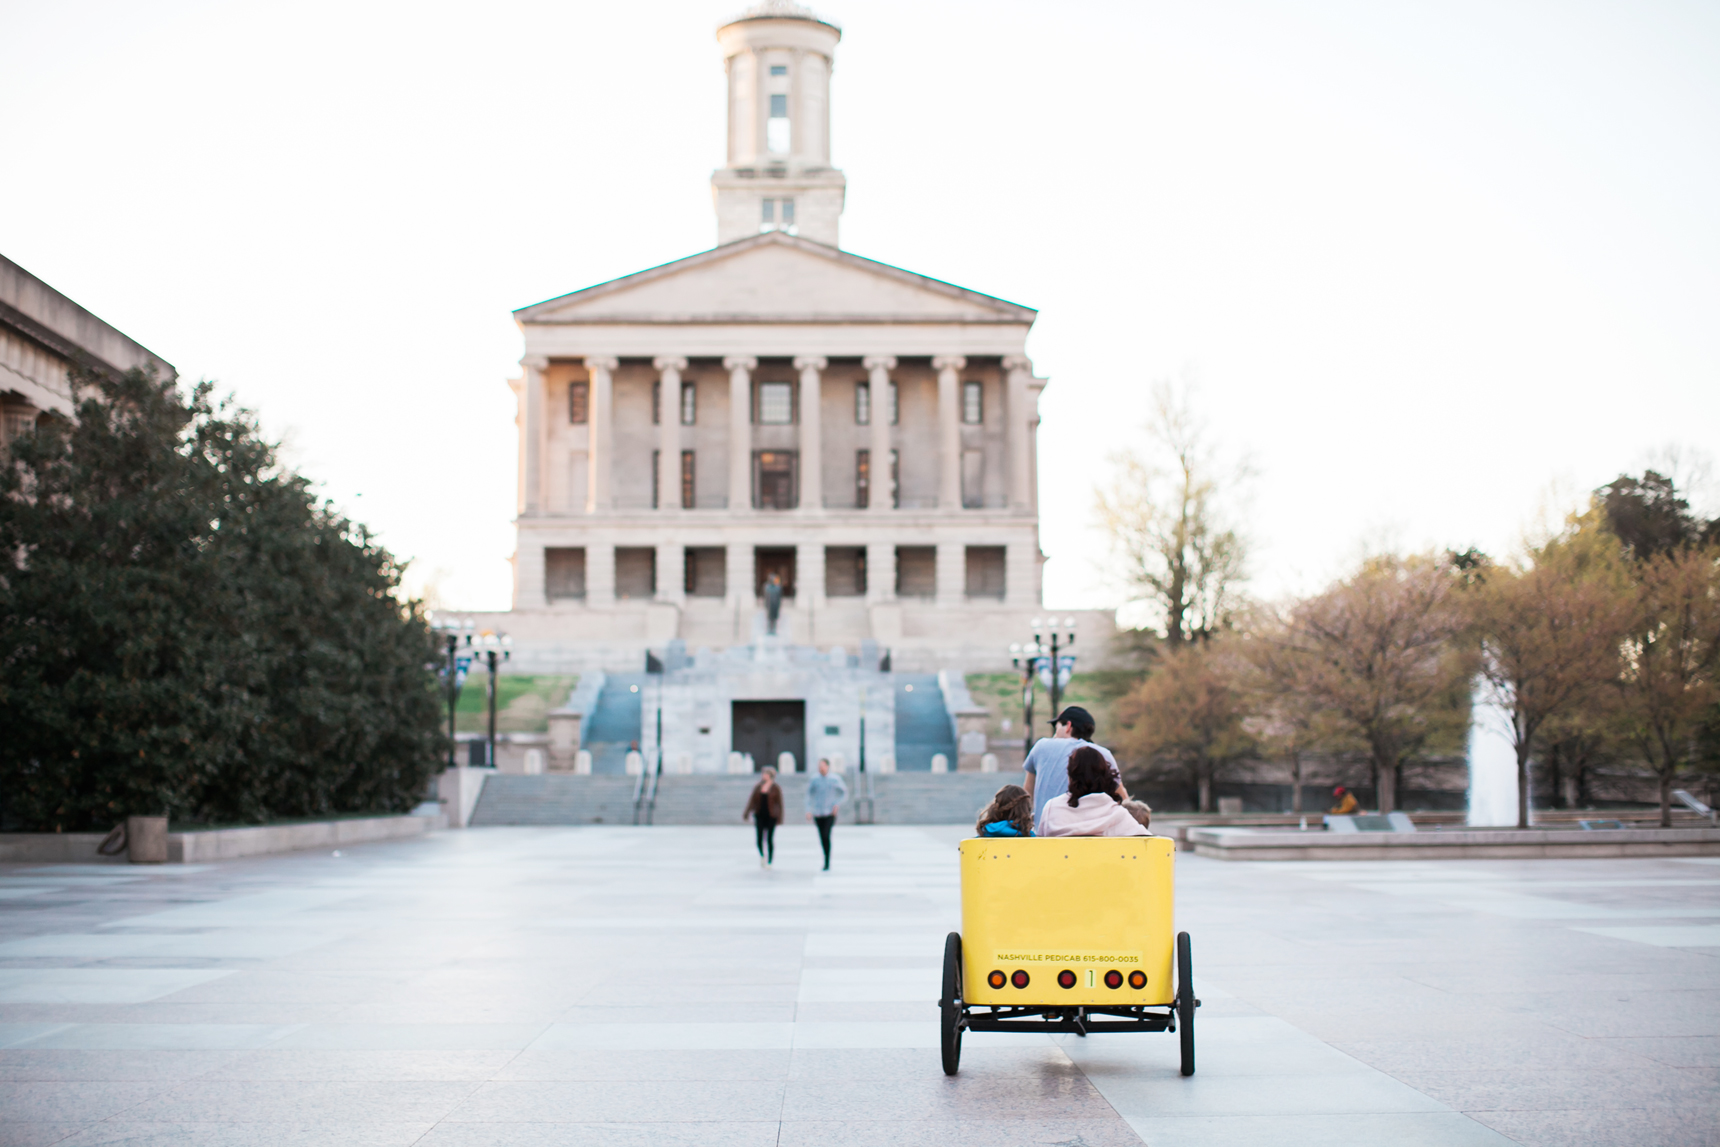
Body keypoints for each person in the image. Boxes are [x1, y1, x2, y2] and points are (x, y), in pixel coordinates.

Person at [1023, 705, 1125, 834]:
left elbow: (1027, 794)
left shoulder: (1041, 746)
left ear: (1068, 726)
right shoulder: (1102, 754)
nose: (1054, 735)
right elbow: (1122, 797)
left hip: (1046, 836)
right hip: (1091, 836)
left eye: (1057, 728)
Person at [1040, 747, 1149, 837]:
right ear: (1106, 776)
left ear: (1070, 777)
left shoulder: (1052, 809)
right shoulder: (1118, 815)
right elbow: (1150, 842)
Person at [805, 758, 847, 870]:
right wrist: (808, 810)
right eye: (819, 766)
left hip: (829, 812)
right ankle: (825, 856)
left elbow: (844, 792)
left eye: (823, 765)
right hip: (818, 813)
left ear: (828, 766)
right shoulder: (814, 779)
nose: (821, 768)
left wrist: (837, 804)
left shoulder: (834, 779)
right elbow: (809, 794)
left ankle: (827, 861)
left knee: (826, 835)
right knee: (821, 837)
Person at [743, 767, 784, 866]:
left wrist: (780, 817)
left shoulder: (775, 788)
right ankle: (762, 856)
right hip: (759, 815)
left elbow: (780, 804)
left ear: (770, 776)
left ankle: (770, 860)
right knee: (759, 839)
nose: (763, 776)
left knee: (769, 839)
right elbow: (752, 800)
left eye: (765, 774)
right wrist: (747, 812)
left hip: (771, 816)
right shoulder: (758, 787)